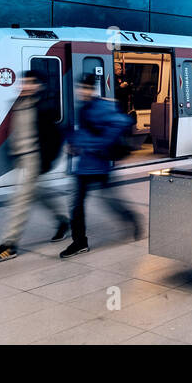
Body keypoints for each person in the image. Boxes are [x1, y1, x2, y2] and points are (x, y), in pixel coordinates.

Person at [0, 70, 69, 263]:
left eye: (30, 82)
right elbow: (10, 132)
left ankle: (9, 244)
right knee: (39, 193)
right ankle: (63, 221)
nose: (25, 85)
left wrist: (46, 162)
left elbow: (56, 138)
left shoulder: (44, 107)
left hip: (35, 158)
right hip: (20, 158)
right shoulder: (15, 104)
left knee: (20, 200)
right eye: (23, 82)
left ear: (38, 86)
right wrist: (10, 153)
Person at [58, 73, 143, 258]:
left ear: (92, 89)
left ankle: (131, 218)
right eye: (80, 87)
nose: (82, 91)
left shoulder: (102, 106)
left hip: (100, 164)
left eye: (87, 88)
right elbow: (81, 132)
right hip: (83, 166)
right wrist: (72, 142)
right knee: (77, 204)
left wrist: (97, 145)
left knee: (110, 201)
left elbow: (124, 121)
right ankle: (79, 242)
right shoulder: (82, 108)